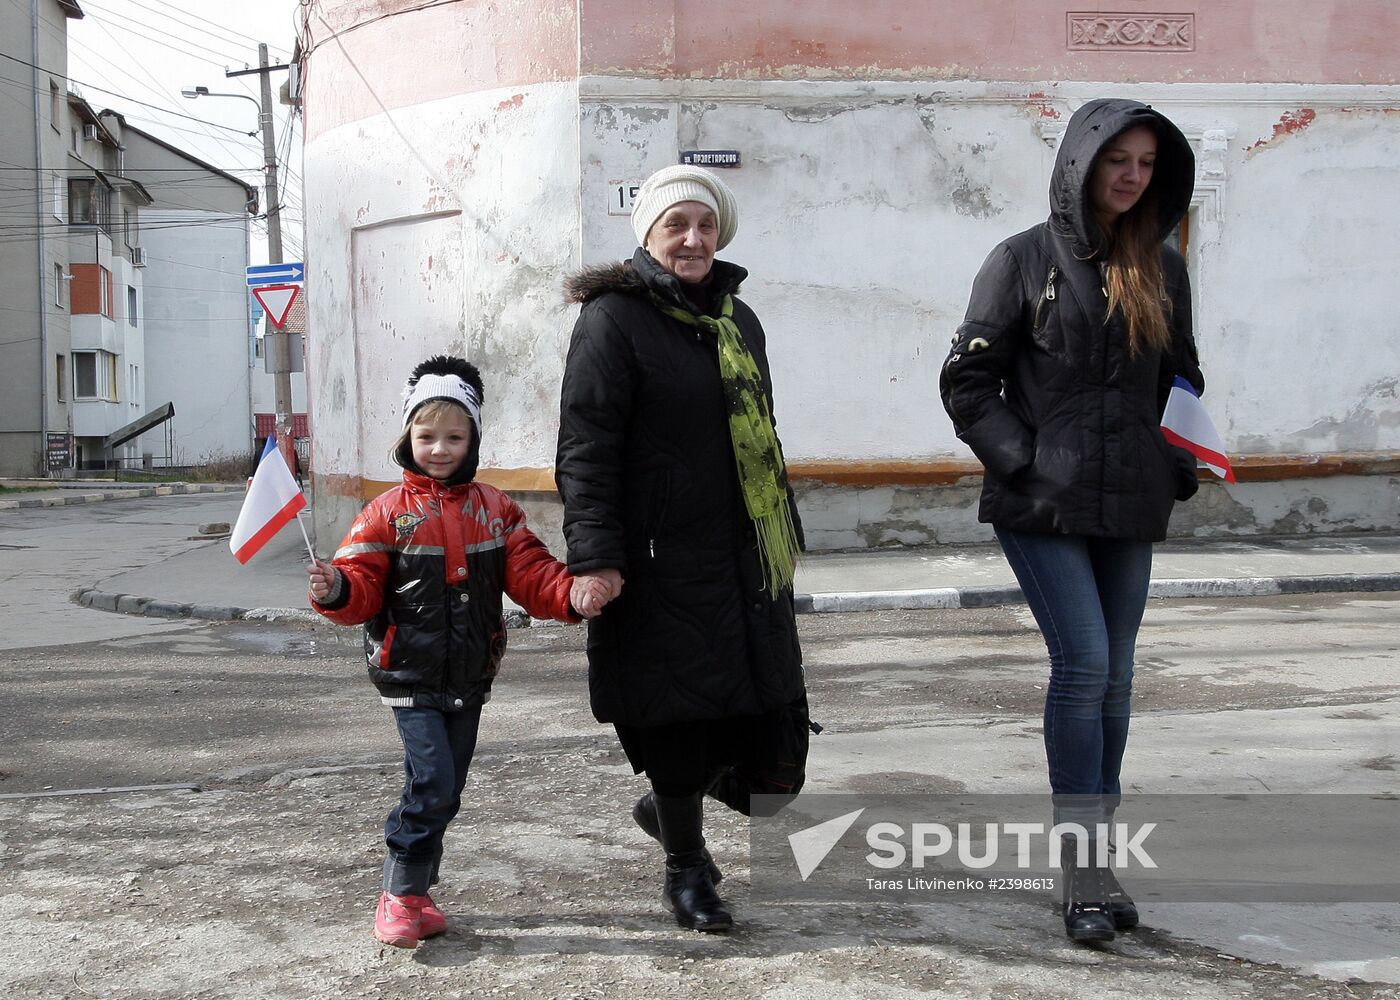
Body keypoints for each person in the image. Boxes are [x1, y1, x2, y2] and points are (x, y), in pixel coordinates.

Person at [940, 99, 1205, 944]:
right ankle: (1080, 866)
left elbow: (1182, 379)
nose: (1130, 177)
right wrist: (1026, 461)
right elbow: (966, 383)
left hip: (1129, 501)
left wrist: (1181, 459)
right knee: (1085, 665)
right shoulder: (1021, 259)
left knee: (1118, 679)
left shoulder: (1162, 265)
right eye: (1116, 159)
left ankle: (1098, 853)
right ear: (1081, 161)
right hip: (1043, 504)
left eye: (1145, 164)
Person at [556, 165, 813, 933]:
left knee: (776, 767)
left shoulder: (742, 321)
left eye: (705, 225)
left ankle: (671, 813)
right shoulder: (612, 320)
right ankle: (686, 866)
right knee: (678, 724)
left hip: (747, 557)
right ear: (649, 235)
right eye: (676, 226)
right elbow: (586, 447)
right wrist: (595, 555)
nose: (693, 239)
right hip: (661, 559)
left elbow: (759, 436)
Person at [307, 355, 608, 949]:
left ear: (472, 439)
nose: (439, 448)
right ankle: (397, 894)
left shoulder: (495, 510)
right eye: (426, 436)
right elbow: (361, 587)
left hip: (470, 674)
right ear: (406, 438)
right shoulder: (386, 513)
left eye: (454, 436)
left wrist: (571, 592)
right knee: (433, 781)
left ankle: (417, 895)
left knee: (448, 788)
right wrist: (337, 588)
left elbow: (531, 574)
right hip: (409, 674)